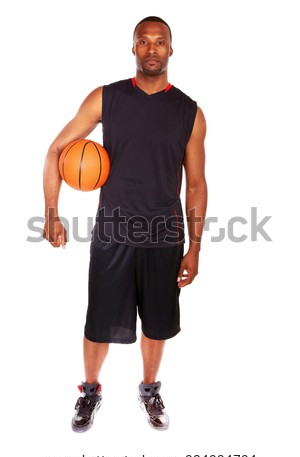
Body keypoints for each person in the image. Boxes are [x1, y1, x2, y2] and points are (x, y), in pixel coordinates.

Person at [43, 16, 207, 432]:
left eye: (160, 42)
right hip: (113, 233)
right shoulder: (106, 98)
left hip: (165, 237)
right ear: (133, 48)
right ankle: (90, 392)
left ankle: (149, 390)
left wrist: (195, 246)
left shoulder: (190, 112)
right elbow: (57, 149)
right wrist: (51, 212)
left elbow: (196, 183)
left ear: (171, 49)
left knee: (157, 325)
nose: (152, 49)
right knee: (98, 323)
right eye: (144, 42)